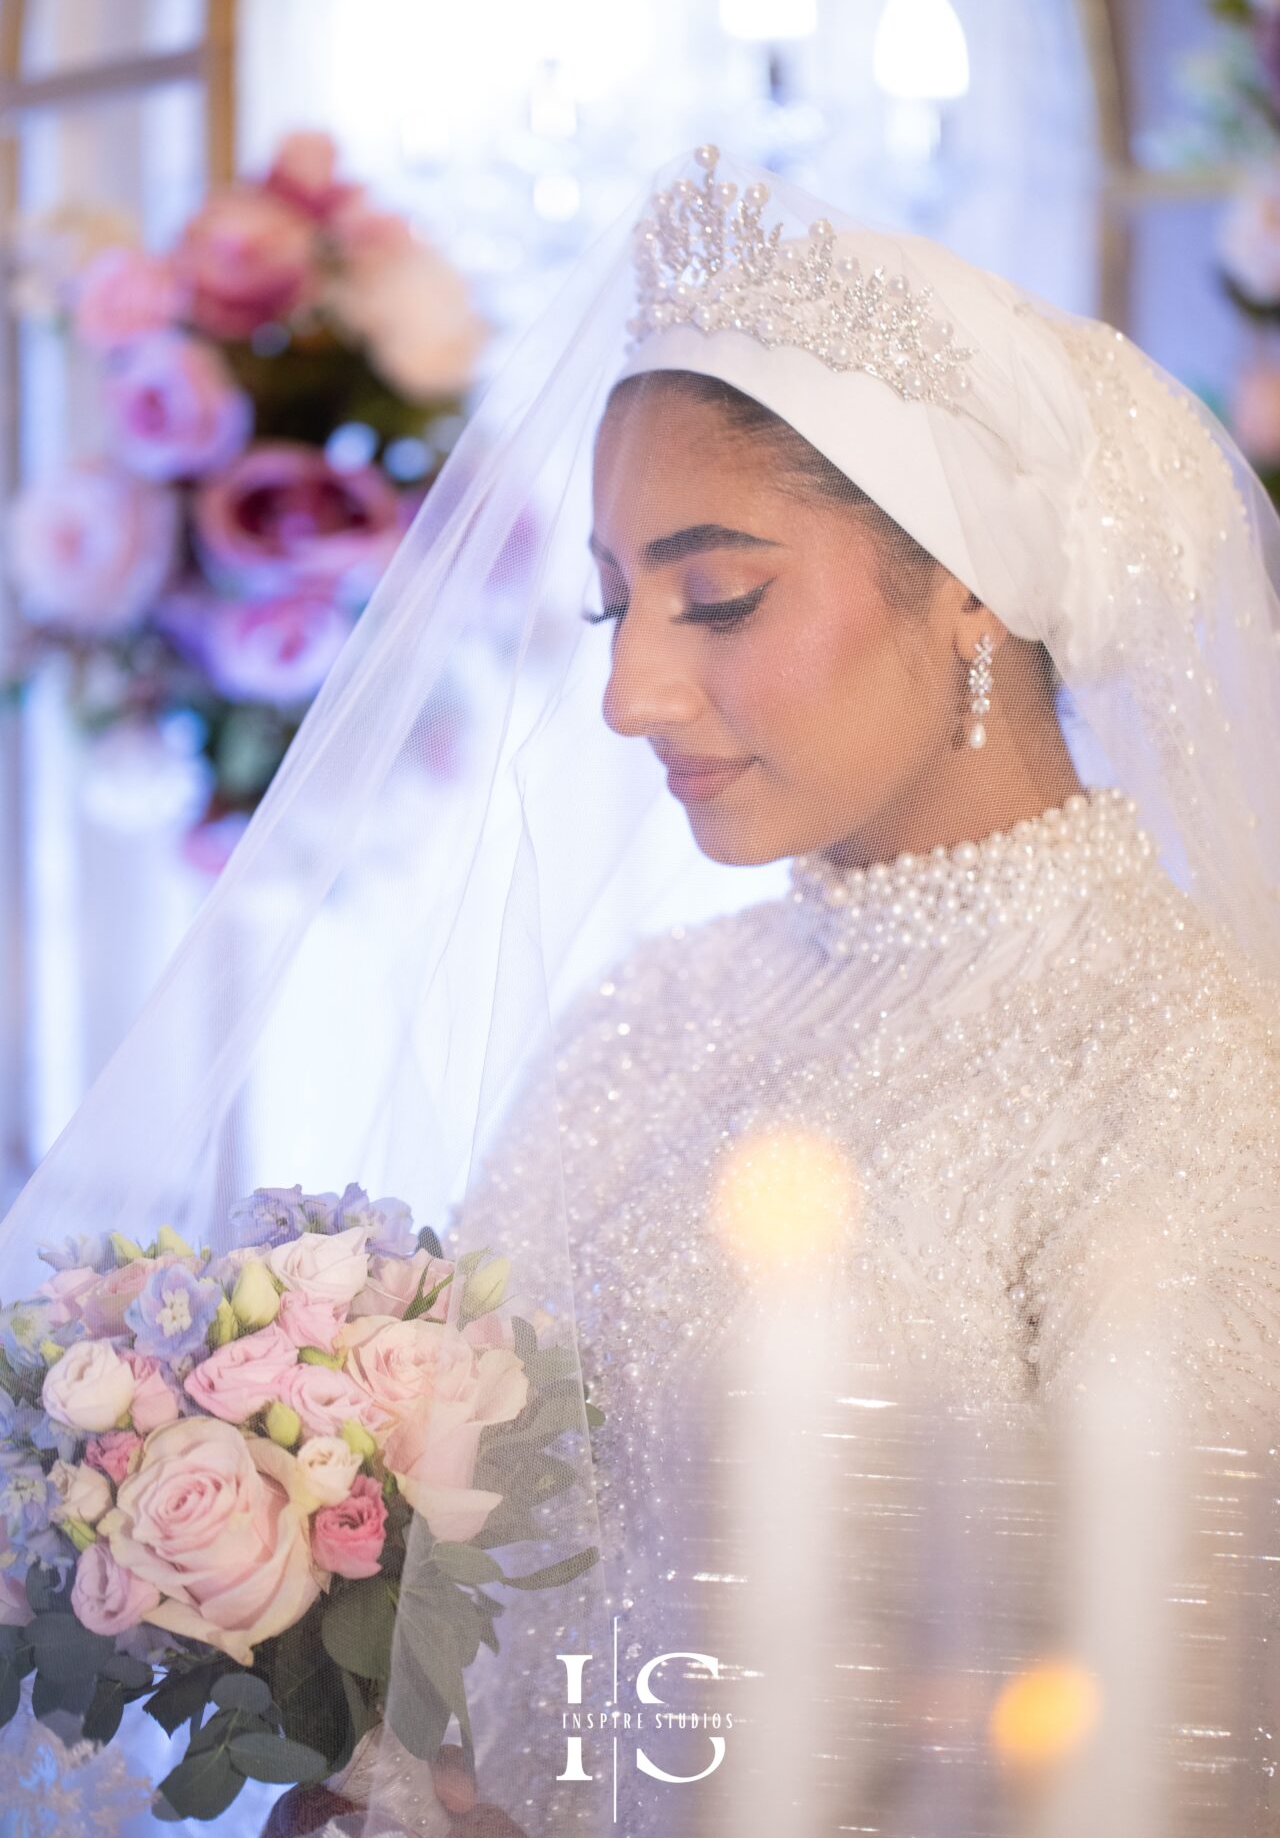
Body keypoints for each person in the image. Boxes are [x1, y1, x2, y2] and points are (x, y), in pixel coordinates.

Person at [2, 143, 1279, 1837]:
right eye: (613, 604)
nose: (627, 691)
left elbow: (1188, 1750)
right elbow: (482, 1614)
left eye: (716, 596)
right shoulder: (641, 1015)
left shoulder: (1188, 1068)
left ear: (970, 583)